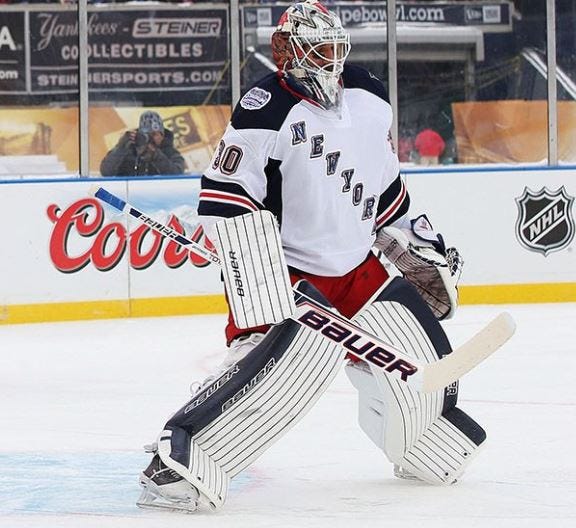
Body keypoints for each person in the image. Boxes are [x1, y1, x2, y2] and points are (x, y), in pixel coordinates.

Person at [136, 1, 484, 513]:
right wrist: (250, 261)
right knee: (287, 370)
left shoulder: (368, 93)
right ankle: (178, 461)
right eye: (318, 49)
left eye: (335, 49)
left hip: (359, 267)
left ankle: (423, 437)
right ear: (288, 51)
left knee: (422, 359)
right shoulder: (265, 107)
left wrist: (410, 237)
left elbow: (382, 184)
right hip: (292, 269)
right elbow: (226, 195)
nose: (331, 61)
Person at [100, 110, 185, 176]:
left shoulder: (170, 153)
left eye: (154, 134)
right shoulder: (129, 152)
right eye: (146, 135)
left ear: (162, 136)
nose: (150, 139)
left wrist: (156, 156)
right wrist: (121, 147)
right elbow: (106, 172)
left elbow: (177, 174)